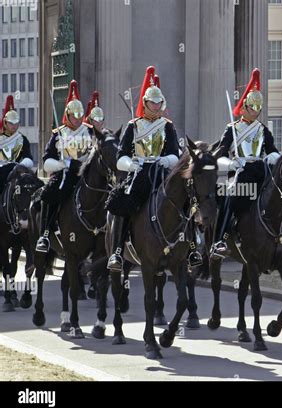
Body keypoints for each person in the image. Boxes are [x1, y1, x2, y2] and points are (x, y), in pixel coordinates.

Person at [210, 68, 282, 259]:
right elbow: (218, 154)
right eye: (252, 108)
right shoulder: (232, 129)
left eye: (258, 108)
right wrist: (230, 164)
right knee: (232, 196)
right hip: (240, 171)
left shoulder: (263, 130)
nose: (255, 112)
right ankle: (219, 240)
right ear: (244, 107)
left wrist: (272, 157)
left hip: (261, 170)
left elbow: (273, 153)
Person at [107, 66, 181, 272]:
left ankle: (193, 246)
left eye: (159, 103)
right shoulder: (133, 126)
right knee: (123, 202)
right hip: (140, 174)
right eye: (152, 103)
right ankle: (117, 252)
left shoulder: (167, 126)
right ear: (145, 103)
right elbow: (120, 156)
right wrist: (132, 164)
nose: (156, 107)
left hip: (161, 173)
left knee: (185, 197)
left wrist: (165, 161)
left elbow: (175, 153)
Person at [36, 80, 94, 253]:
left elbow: (96, 152)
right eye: (74, 115)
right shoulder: (58, 134)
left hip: (85, 172)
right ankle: (44, 235)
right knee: (48, 194)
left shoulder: (89, 132)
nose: (77, 119)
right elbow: (47, 160)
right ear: (68, 115)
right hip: (64, 174)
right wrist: (61, 163)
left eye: (79, 115)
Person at [0, 95, 34, 194]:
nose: (14, 126)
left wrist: (21, 165)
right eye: (11, 123)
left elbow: (28, 157)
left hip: (16, 170)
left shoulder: (23, 139)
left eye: (16, 123)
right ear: (5, 123)